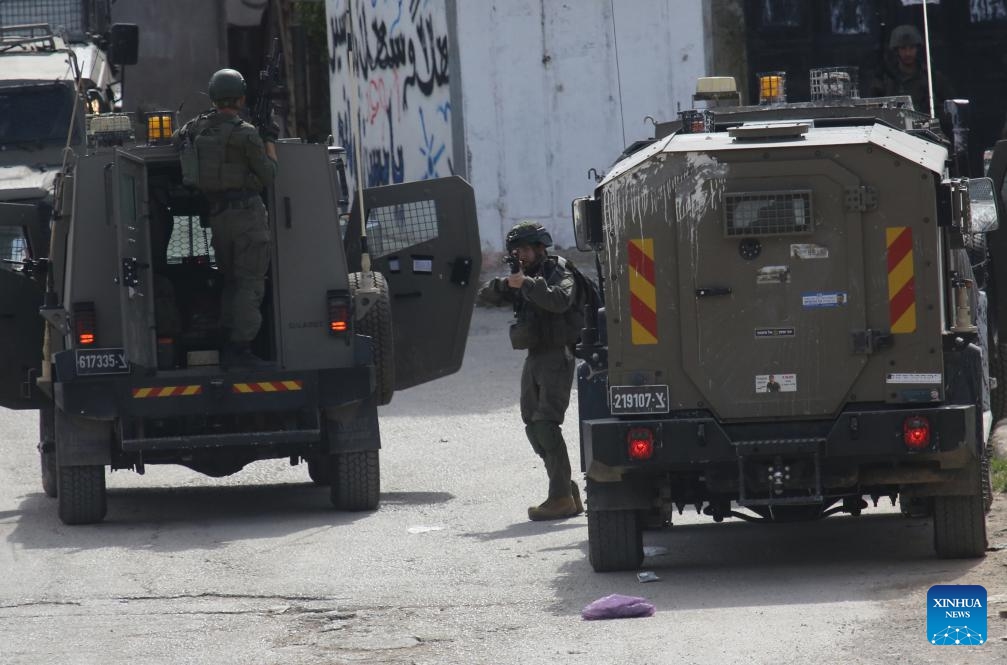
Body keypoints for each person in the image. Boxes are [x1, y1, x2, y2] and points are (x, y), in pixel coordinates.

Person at [479, 221, 583, 521]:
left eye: (524, 249)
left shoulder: (559, 271)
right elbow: (487, 296)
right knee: (532, 424)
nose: (520, 255)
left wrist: (525, 283)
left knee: (546, 423)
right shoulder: (528, 275)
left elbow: (560, 300)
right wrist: (507, 282)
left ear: (539, 247)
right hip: (536, 354)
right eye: (516, 251)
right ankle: (565, 489)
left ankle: (560, 497)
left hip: (557, 354)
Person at [175, 68, 278, 368]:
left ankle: (227, 338)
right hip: (247, 218)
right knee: (250, 284)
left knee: (232, 281)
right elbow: (270, 175)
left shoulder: (195, 130)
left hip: (218, 217)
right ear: (241, 97)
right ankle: (240, 349)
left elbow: (177, 138)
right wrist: (268, 138)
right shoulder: (246, 134)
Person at [869, 24, 952, 117]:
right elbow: (873, 111)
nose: (908, 53)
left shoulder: (932, 78)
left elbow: (949, 111)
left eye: (912, 47)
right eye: (903, 48)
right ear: (896, 50)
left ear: (917, 48)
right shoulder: (885, 80)